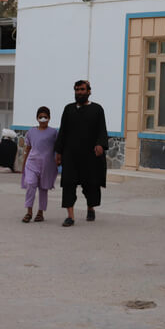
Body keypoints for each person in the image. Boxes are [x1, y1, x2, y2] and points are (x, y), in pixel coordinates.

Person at [54, 80, 108, 227]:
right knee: (68, 184)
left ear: (89, 91)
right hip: (70, 154)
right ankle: (70, 216)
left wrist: (100, 144)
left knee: (90, 185)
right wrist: (58, 151)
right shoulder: (69, 109)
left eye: (82, 89)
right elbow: (63, 131)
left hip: (90, 155)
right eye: (77, 90)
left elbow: (102, 129)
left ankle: (90, 208)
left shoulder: (97, 109)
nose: (79, 92)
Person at [20, 107, 58, 223]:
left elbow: (58, 148)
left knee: (43, 188)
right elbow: (28, 148)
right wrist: (24, 163)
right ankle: (29, 211)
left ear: (49, 118)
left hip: (47, 165)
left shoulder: (53, 132)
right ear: (37, 118)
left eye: (45, 117)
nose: (43, 119)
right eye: (40, 117)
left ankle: (40, 212)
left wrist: (58, 159)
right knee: (31, 184)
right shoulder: (31, 132)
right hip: (32, 163)